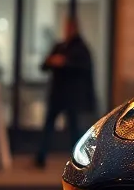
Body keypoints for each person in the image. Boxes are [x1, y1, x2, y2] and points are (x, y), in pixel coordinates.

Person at [36, 17, 95, 168]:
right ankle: (40, 158)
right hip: (58, 94)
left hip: (72, 96)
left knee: (74, 130)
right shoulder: (61, 46)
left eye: (69, 28)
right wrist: (52, 61)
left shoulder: (81, 49)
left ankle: (79, 161)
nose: (66, 31)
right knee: (49, 126)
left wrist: (64, 63)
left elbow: (84, 70)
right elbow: (44, 66)